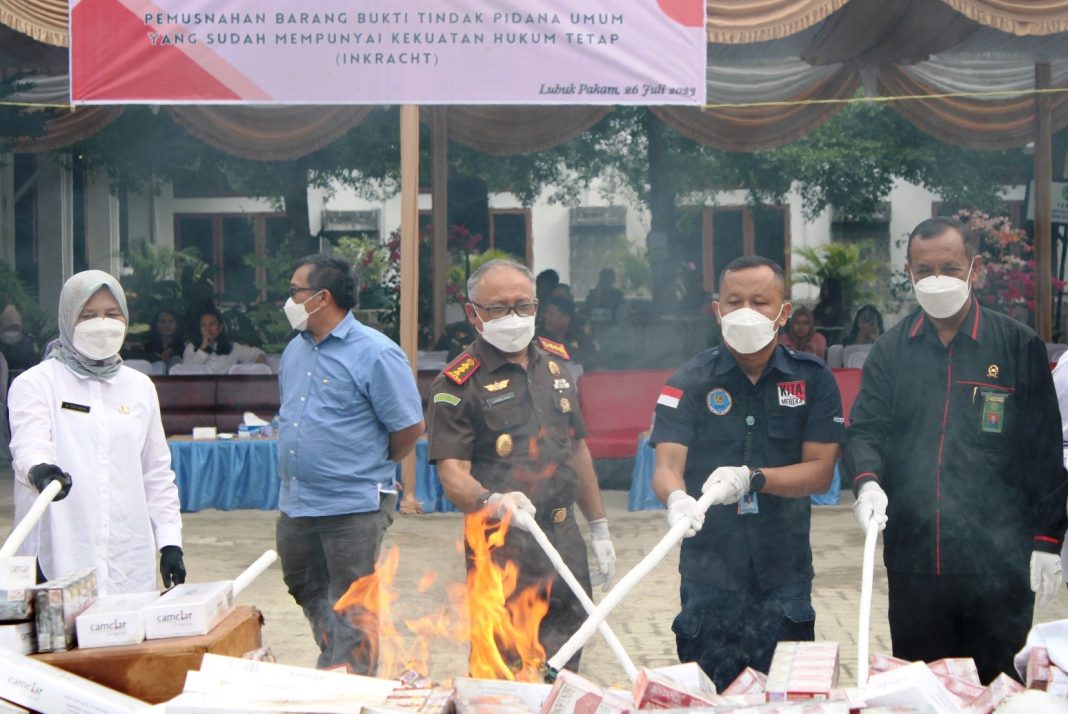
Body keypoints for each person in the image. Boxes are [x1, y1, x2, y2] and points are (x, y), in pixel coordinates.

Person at [844, 217, 1068, 684]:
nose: (937, 279)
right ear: (908, 272)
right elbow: (866, 430)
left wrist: (1048, 541)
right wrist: (866, 483)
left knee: (999, 690)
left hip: (1000, 568)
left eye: (950, 266)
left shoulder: (1016, 346)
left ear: (975, 269)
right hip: (915, 563)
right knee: (922, 689)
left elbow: (1044, 451)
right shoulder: (891, 351)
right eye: (925, 270)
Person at [650, 255, 844, 691]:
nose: (746, 311)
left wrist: (754, 478)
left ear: (784, 312)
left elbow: (820, 472)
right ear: (717, 309)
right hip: (709, 576)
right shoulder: (689, 380)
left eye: (760, 301)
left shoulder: (812, 380)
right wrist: (676, 498)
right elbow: (666, 465)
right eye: (734, 301)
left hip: (784, 576)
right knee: (711, 698)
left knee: (788, 699)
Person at [426, 259, 617, 672]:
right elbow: (452, 474)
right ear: (473, 313)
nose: (513, 316)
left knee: (565, 665)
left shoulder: (556, 365)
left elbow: (576, 450)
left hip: (565, 538)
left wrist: (598, 526)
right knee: (504, 671)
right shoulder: (457, 383)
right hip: (502, 544)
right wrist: (492, 500)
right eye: (498, 308)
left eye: (523, 305)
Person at [275, 254, 424, 674]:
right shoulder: (295, 350)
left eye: (294, 292)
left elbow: (409, 428)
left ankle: (352, 686)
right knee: (305, 587)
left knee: (353, 602)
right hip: (297, 503)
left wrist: (372, 464)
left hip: (352, 505)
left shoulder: (376, 353)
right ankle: (335, 662)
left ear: (321, 298)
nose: (289, 300)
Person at [8, 270, 185, 594]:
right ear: (68, 318)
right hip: (58, 556)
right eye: (88, 316)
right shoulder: (36, 383)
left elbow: (156, 473)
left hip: (127, 559)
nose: (102, 324)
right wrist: (41, 470)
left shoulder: (139, 387)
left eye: (111, 314)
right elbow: (29, 444)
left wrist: (170, 542)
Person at [182, 307, 267, 373]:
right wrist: (202, 348)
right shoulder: (191, 347)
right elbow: (186, 370)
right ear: (200, 329)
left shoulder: (232, 347)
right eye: (204, 325)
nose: (208, 329)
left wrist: (257, 370)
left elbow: (259, 354)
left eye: (212, 324)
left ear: (220, 327)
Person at [539, 296, 599, 372]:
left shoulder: (581, 336)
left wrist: (564, 350)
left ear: (565, 318)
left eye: (551, 314)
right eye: (546, 313)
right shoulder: (539, 335)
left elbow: (591, 360)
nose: (545, 317)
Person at [0, 303, 41, 384]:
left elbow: (36, 368)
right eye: (9, 328)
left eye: (15, 327)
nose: (12, 332)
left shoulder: (29, 344)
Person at [812, 278, 845, 343]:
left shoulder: (837, 309)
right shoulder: (820, 306)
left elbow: (824, 323)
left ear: (832, 290)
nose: (821, 291)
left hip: (823, 338)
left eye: (824, 288)